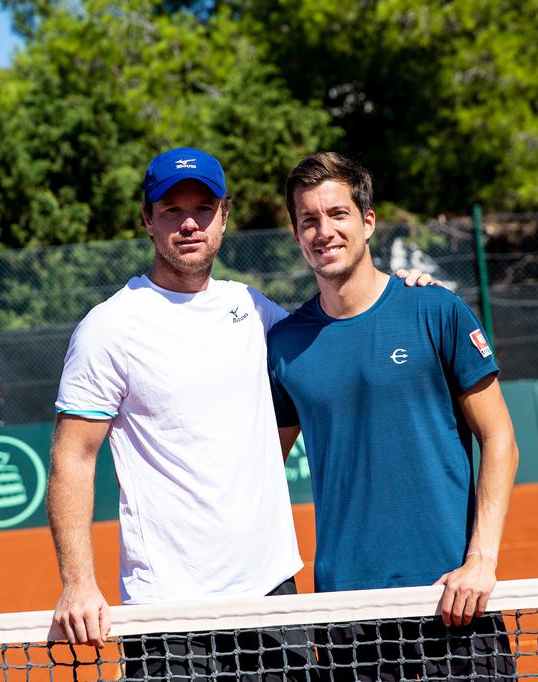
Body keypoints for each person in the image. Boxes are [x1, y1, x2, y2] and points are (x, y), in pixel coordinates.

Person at [48, 147, 432, 679]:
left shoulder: (253, 310)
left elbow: (338, 326)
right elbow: (73, 456)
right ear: (146, 220)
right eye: (170, 210)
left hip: (273, 595)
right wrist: (78, 582)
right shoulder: (108, 327)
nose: (188, 223)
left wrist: (404, 294)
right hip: (169, 610)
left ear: (224, 216)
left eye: (203, 208)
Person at [267, 152, 520, 680]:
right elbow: (263, 465)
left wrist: (482, 561)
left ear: (367, 221)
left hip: (450, 601)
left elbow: (500, 440)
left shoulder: (435, 310)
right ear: (295, 233)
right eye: (308, 219)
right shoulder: (285, 345)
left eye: (337, 214)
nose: (324, 231)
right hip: (344, 616)